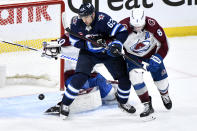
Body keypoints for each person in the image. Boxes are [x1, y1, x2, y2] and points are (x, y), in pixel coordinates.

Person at [58, 2, 136, 119]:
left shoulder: (103, 19)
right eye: (82, 17)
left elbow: (122, 31)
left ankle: (123, 102)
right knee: (79, 77)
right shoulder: (76, 23)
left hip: (108, 52)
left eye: (86, 17)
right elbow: (74, 41)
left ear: (93, 14)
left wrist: (116, 43)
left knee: (124, 79)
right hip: (89, 54)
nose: (84, 20)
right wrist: (89, 46)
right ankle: (65, 104)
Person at [119, 8, 172, 118]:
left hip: (151, 54)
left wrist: (158, 57)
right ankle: (147, 104)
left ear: (145, 21)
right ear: (130, 22)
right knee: (135, 78)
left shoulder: (152, 24)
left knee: (162, 83)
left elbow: (164, 43)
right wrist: (112, 46)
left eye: (140, 26)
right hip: (133, 57)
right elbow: (113, 41)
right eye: (135, 26)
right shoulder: (122, 27)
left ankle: (164, 94)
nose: (137, 28)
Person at [45, 69, 118, 114]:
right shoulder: (67, 46)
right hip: (75, 76)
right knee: (77, 87)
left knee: (110, 96)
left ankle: (110, 90)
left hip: (94, 77)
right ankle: (67, 101)